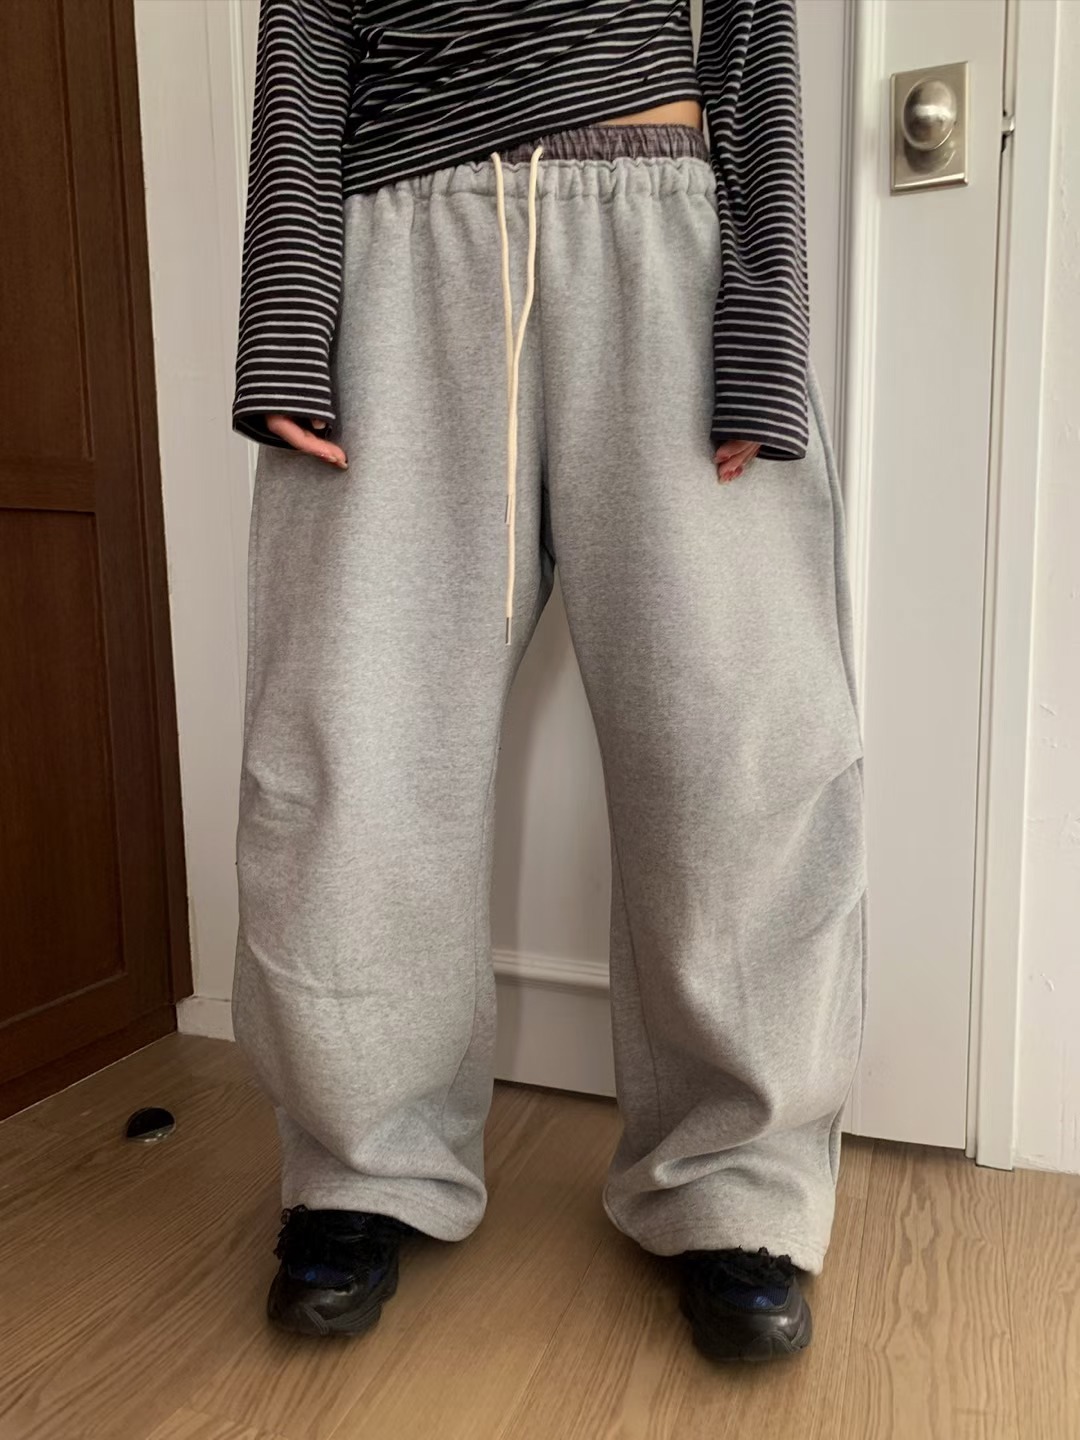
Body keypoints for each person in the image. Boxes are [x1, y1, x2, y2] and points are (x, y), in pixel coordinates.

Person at [231, 0, 867, 1363]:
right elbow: (306, 29)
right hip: (396, 245)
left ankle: (738, 1184)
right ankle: (358, 1164)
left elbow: (749, 29)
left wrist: (764, 319)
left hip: (663, 235)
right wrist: (286, 313)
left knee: (735, 741)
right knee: (353, 739)